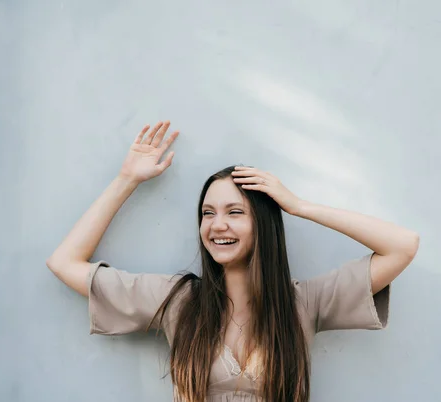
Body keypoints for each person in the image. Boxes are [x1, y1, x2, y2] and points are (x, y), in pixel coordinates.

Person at [46, 121, 420, 402]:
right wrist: (126, 179)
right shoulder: (178, 300)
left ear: (262, 224)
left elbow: (402, 246)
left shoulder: (304, 304)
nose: (217, 224)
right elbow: (64, 262)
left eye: (234, 212)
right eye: (207, 213)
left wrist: (299, 206)